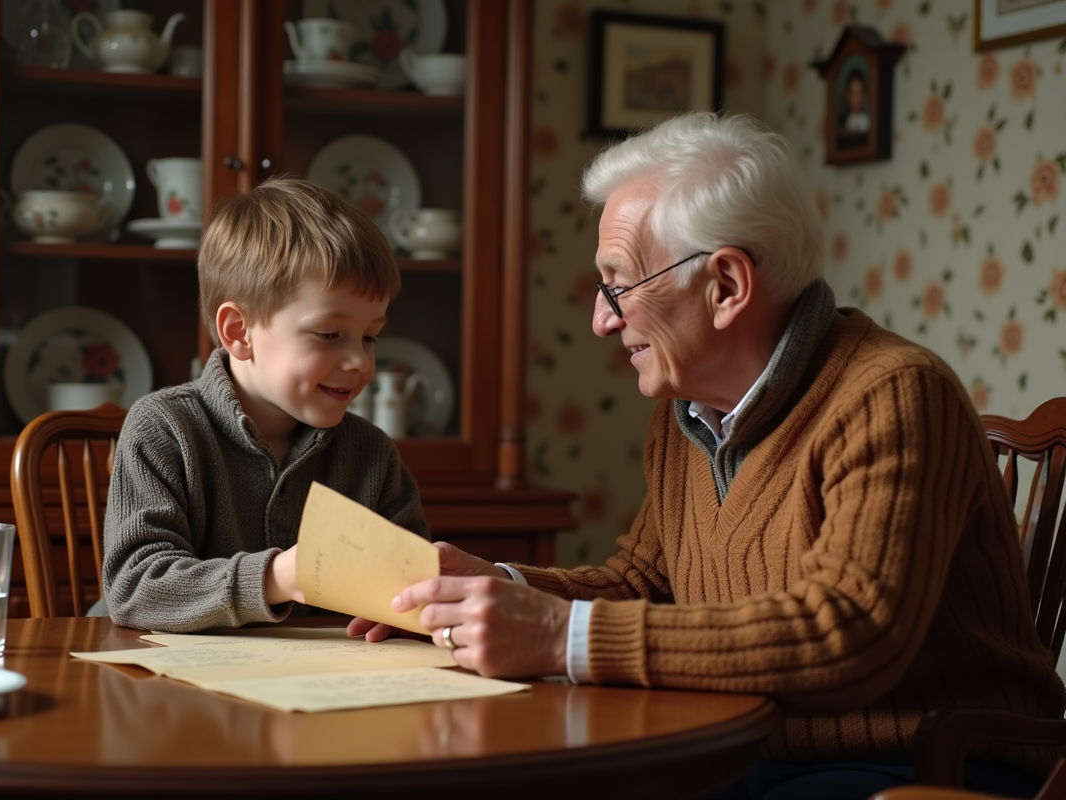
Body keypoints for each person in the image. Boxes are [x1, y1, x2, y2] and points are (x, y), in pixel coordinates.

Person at [353, 113, 1066, 799]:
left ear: (725, 286)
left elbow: (849, 631)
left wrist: (555, 634)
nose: (601, 319)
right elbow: (644, 581)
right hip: (750, 749)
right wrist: (502, 587)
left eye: (618, 284)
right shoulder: (686, 413)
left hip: (926, 764)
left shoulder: (895, 393)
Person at [102, 176, 428, 632]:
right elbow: (135, 587)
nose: (359, 361)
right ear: (239, 332)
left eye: (370, 336)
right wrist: (280, 577)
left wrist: (402, 611)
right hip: (173, 695)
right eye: (329, 335)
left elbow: (409, 587)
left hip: (316, 692)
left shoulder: (372, 455)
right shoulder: (163, 428)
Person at [839, 69, 870, 145]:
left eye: (858, 92)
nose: (855, 97)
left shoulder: (869, 119)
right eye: (852, 92)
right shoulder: (841, 121)